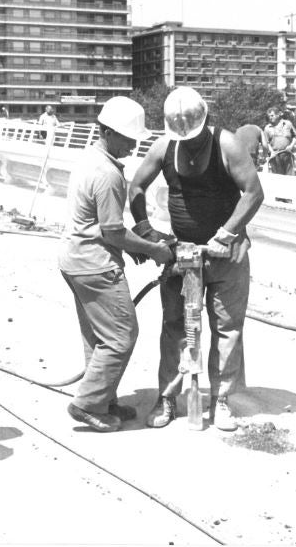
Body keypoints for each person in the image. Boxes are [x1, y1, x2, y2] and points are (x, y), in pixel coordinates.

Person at [129, 86, 264, 431]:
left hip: (226, 254)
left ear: (205, 120)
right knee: (176, 327)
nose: (188, 141)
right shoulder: (164, 146)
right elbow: (137, 187)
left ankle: (221, 399)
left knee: (227, 328)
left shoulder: (227, 144)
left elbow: (253, 192)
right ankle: (168, 397)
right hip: (182, 252)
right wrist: (145, 230)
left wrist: (228, 233)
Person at [58, 96, 174, 433]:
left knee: (98, 335)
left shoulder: (90, 160)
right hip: (94, 263)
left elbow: (105, 227)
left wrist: (138, 245)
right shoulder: (108, 174)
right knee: (121, 335)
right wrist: (154, 249)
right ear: (107, 131)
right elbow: (112, 231)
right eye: (127, 137)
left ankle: (103, 399)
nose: (133, 144)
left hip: (76, 258)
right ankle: (88, 404)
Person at [262, 106, 296, 175]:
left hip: (287, 154)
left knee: (289, 177)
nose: (270, 117)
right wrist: (272, 152)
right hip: (275, 156)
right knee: (277, 177)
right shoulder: (267, 128)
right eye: (269, 116)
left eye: (272, 115)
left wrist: (291, 146)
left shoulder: (288, 124)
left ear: (278, 115)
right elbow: (266, 142)